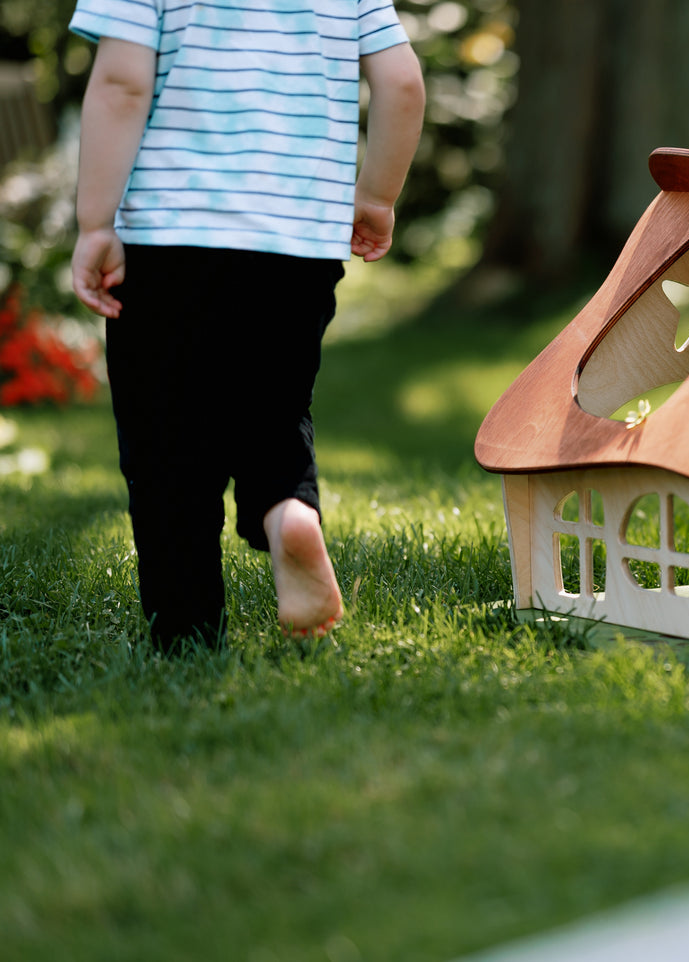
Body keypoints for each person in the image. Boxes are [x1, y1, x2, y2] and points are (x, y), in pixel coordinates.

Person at [68, 0, 425, 653]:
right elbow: (401, 82)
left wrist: (96, 222)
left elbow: (122, 83)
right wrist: (376, 196)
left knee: (166, 442)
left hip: (168, 241)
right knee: (273, 408)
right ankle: (287, 510)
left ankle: (187, 632)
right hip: (296, 250)